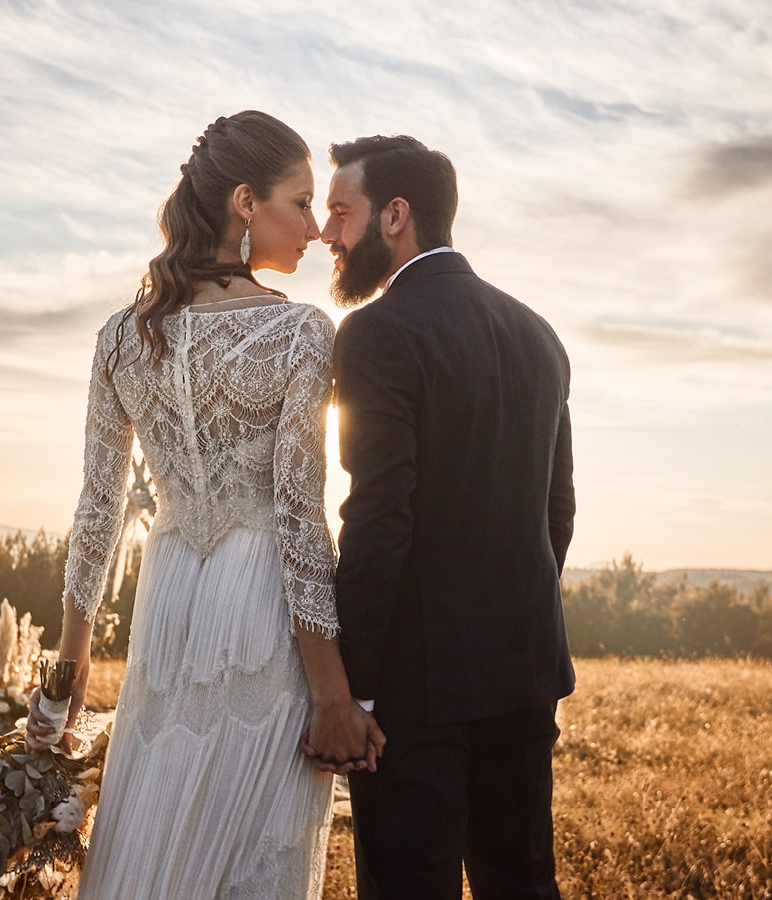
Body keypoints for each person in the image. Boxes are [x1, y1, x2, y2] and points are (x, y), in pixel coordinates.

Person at [44, 111, 384, 899]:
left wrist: (67, 676)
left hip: (169, 608)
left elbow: (98, 513)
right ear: (243, 202)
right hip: (261, 616)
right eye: (299, 203)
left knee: (160, 841)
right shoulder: (302, 333)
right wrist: (333, 696)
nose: (314, 228)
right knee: (251, 853)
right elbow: (300, 519)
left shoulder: (120, 337)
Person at [322, 134, 576, 899]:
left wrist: (355, 689)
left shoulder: (376, 334)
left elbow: (377, 520)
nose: (328, 234)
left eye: (342, 211)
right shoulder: (539, 334)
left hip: (415, 695)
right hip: (523, 676)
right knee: (523, 887)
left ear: (396, 215)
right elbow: (556, 511)